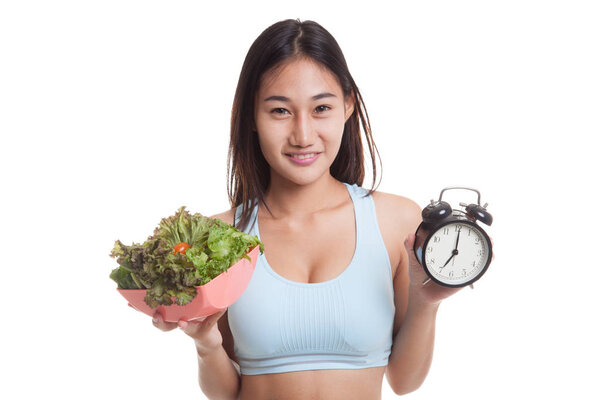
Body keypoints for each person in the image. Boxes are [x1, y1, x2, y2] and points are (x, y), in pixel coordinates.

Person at [153, 18, 466, 400]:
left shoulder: (394, 221)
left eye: (321, 108)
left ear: (348, 106)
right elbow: (228, 393)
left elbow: (404, 381)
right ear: (251, 115)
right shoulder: (221, 238)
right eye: (280, 111)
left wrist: (426, 301)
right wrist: (205, 343)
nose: (303, 136)